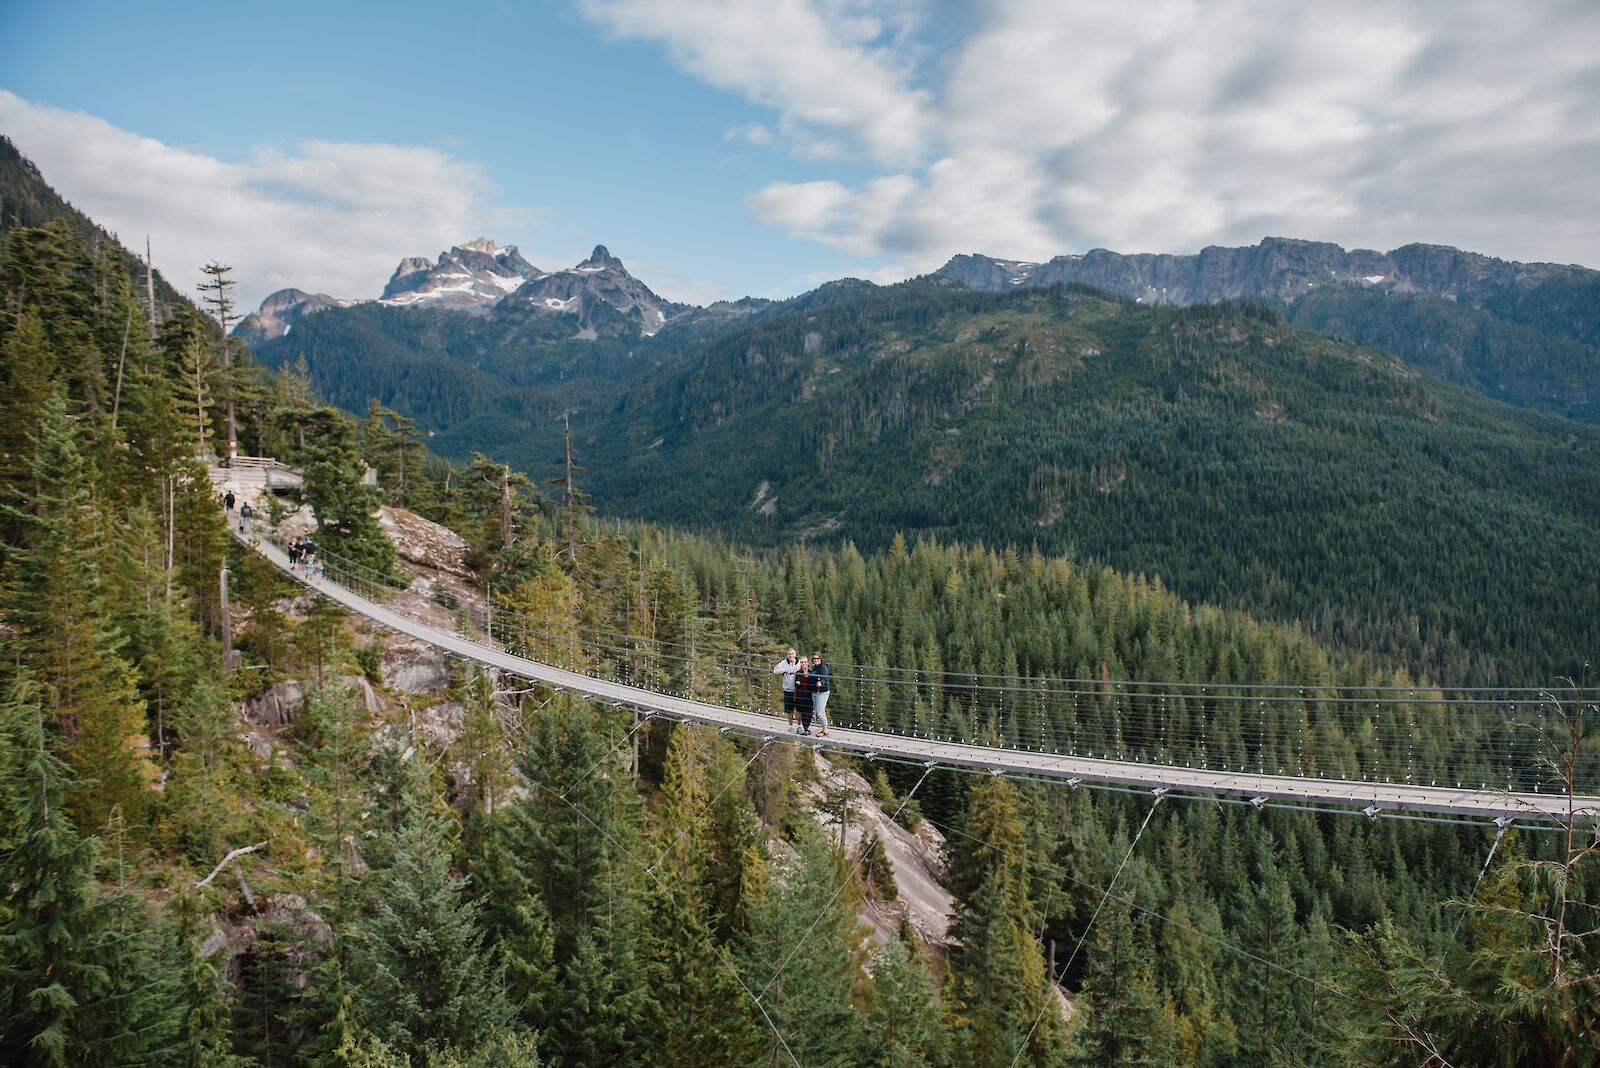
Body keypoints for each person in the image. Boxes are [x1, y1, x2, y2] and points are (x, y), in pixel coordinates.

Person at [772, 648, 802, 730]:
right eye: (789, 654)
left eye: (792, 654)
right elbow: (775, 671)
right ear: (787, 655)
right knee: (789, 709)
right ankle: (791, 726)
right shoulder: (784, 663)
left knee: (799, 709)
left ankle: (799, 726)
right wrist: (784, 670)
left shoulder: (800, 663)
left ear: (795, 654)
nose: (791, 656)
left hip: (798, 690)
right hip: (788, 690)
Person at [810, 650, 831, 737]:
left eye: (817, 658)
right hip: (815, 691)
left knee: (820, 711)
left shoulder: (823, 667)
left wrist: (821, 683)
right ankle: (823, 728)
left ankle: (825, 729)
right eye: (814, 659)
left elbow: (824, 677)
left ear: (820, 658)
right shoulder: (814, 668)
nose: (816, 660)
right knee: (818, 710)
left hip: (822, 692)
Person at [795, 659, 815, 735]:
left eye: (805, 662)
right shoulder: (798, 673)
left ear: (808, 663)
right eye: (802, 662)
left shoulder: (811, 672)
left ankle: (806, 727)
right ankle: (803, 728)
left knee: (809, 712)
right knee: (802, 711)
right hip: (801, 694)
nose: (804, 664)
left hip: (809, 695)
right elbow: (796, 685)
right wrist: (797, 683)